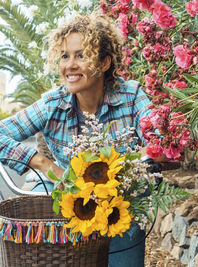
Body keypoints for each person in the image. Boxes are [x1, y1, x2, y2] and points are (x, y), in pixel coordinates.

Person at [0, 11, 155, 267]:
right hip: (67, 195)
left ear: (104, 63)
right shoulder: (53, 103)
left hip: (120, 203)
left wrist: (135, 162)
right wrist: (44, 165)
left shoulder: (131, 96)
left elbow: (160, 142)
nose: (69, 65)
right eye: (64, 56)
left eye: (81, 55)